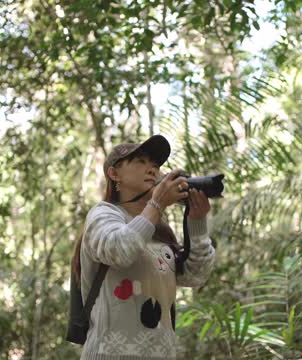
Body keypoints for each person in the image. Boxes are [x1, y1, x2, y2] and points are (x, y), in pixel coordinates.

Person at [71, 134, 216, 359]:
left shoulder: (159, 231)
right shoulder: (103, 214)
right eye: (140, 161)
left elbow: (196, 276)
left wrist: (197, 221)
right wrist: (156, 204)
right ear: (113, 173)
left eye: (155, 165)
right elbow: (120, 251)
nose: (152, 169)